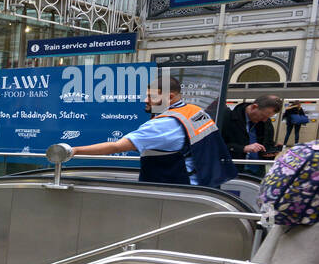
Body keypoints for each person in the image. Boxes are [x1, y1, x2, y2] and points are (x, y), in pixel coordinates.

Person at [63, 77, 236, 189]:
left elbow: (116, 146)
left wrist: (74, 150)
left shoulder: (164, 125)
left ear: (171, 97)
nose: (145, 100)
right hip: (206, 183)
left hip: (176, 189)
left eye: (152, 96)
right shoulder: (195, 111)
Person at [219, 95, 282, 165]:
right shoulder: (226, 119)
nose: (264, 120)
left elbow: (265, 146)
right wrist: (243, 148)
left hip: (257, 171)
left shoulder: (266, 123)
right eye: (263, 116)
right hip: (233, 168)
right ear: (254, 107)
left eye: (268, 117)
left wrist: (270, 153)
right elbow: (216, 146)